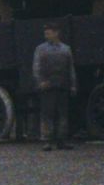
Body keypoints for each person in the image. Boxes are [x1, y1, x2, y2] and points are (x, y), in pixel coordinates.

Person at [31, 22, 76, 150]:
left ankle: (62, 140)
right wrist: (40, 82)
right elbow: (36, 67)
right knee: (47, 114)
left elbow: (71, 68)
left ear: (56, 33)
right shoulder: (40, 49)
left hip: (63, 84)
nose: (46, 36)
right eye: (45, 34)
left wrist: (73, 85)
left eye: (49, 33)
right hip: (47, 85)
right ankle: (47, 141)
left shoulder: (66, 49)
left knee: (63, 114)